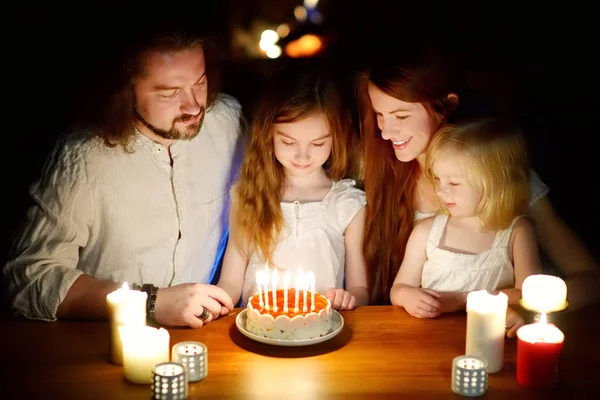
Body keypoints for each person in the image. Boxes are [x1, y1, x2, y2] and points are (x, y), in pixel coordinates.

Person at [1, 25, 245, 328]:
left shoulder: (228, 122)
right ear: (126, 92)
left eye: (200, 82)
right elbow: (30, 278)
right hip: (100, 345)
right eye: (169, 93)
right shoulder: (84, 159)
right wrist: (149, 303)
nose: (194, 105)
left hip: (200, 340)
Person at [356, 53, 600, 310]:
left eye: (401, 116)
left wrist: (526, 309)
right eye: (379, 114)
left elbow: (590, 279)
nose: (385, 131)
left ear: (446, 105)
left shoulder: (499, 174)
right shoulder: (378, 171)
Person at [216, 64, 369, 310]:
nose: (303, 155)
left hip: (320, 330)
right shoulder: (247, 195)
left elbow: (359, 288)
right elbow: (230, 282)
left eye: (318, 144)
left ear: (336, 138)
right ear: (269, 136)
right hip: (260, 330)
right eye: (288, 142)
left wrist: (349, 299)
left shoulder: (347, 204)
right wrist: (213, 303)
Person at [390, 119, 542, 337]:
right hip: (428, 338)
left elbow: (527, 295)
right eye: (437, 179)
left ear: (494, 182)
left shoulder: (517, 232)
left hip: (490, 337)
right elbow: (399, 288)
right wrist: (408, 296)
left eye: (453, 183)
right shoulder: (427, 232)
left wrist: (463, 299)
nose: (441, 191)